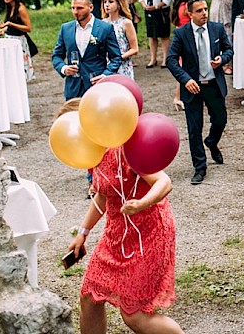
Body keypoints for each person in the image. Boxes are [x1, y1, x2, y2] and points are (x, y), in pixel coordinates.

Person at [66, 99, 183, 334]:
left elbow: (164, 182)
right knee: (90, 296)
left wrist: (141, 204)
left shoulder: (127, 147)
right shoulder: (94, 153)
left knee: (135, 316)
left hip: (148, 233)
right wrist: (83, 232)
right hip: (117, 234)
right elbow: (102, 195)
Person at [166, 0, 234, 186]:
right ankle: (200, 167)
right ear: (190, 14)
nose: (204, 13)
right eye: (199, 10)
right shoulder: (181, 33)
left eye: (205, 9)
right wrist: (185, 80)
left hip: (213, 83)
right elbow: (171, 59)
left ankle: (211, 142)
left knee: (220, 120)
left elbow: (229, 49)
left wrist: (222, 59)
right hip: (192, 86)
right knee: (194, 128)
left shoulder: (217, 28)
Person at [51, 0, 123, 99]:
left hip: (96, 86)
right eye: (73, 8)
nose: (75, 12)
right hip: (73, 88)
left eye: (79, 8)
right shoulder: (65, 28)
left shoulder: (105, 28)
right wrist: (64, 68)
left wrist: (105, 76)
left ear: (91, 7)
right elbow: (57, 56)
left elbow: (116, 58)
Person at [0, 0, 35, 81]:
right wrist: (4, 29)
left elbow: (28, 28)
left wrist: (10, 24)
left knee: (20, 72)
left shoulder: (21, 8)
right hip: (9, 40)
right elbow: (12, 26)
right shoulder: (9, 7)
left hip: (19, 42)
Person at [139, 0, 173, 68]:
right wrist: (145, 5)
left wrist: (156, 6)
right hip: (149, 12)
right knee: (152, 35)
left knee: (163, 35)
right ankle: (153, 58)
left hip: (161, 12)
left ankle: (165, 58)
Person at [101, 0, 139, 79]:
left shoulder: (126, 23)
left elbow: (134, 49)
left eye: (110, 2)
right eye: (105, 2)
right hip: (106, 66)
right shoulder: (102, 23)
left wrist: (119, 58)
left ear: (118, 4)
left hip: (123, 65)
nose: (107, 4)